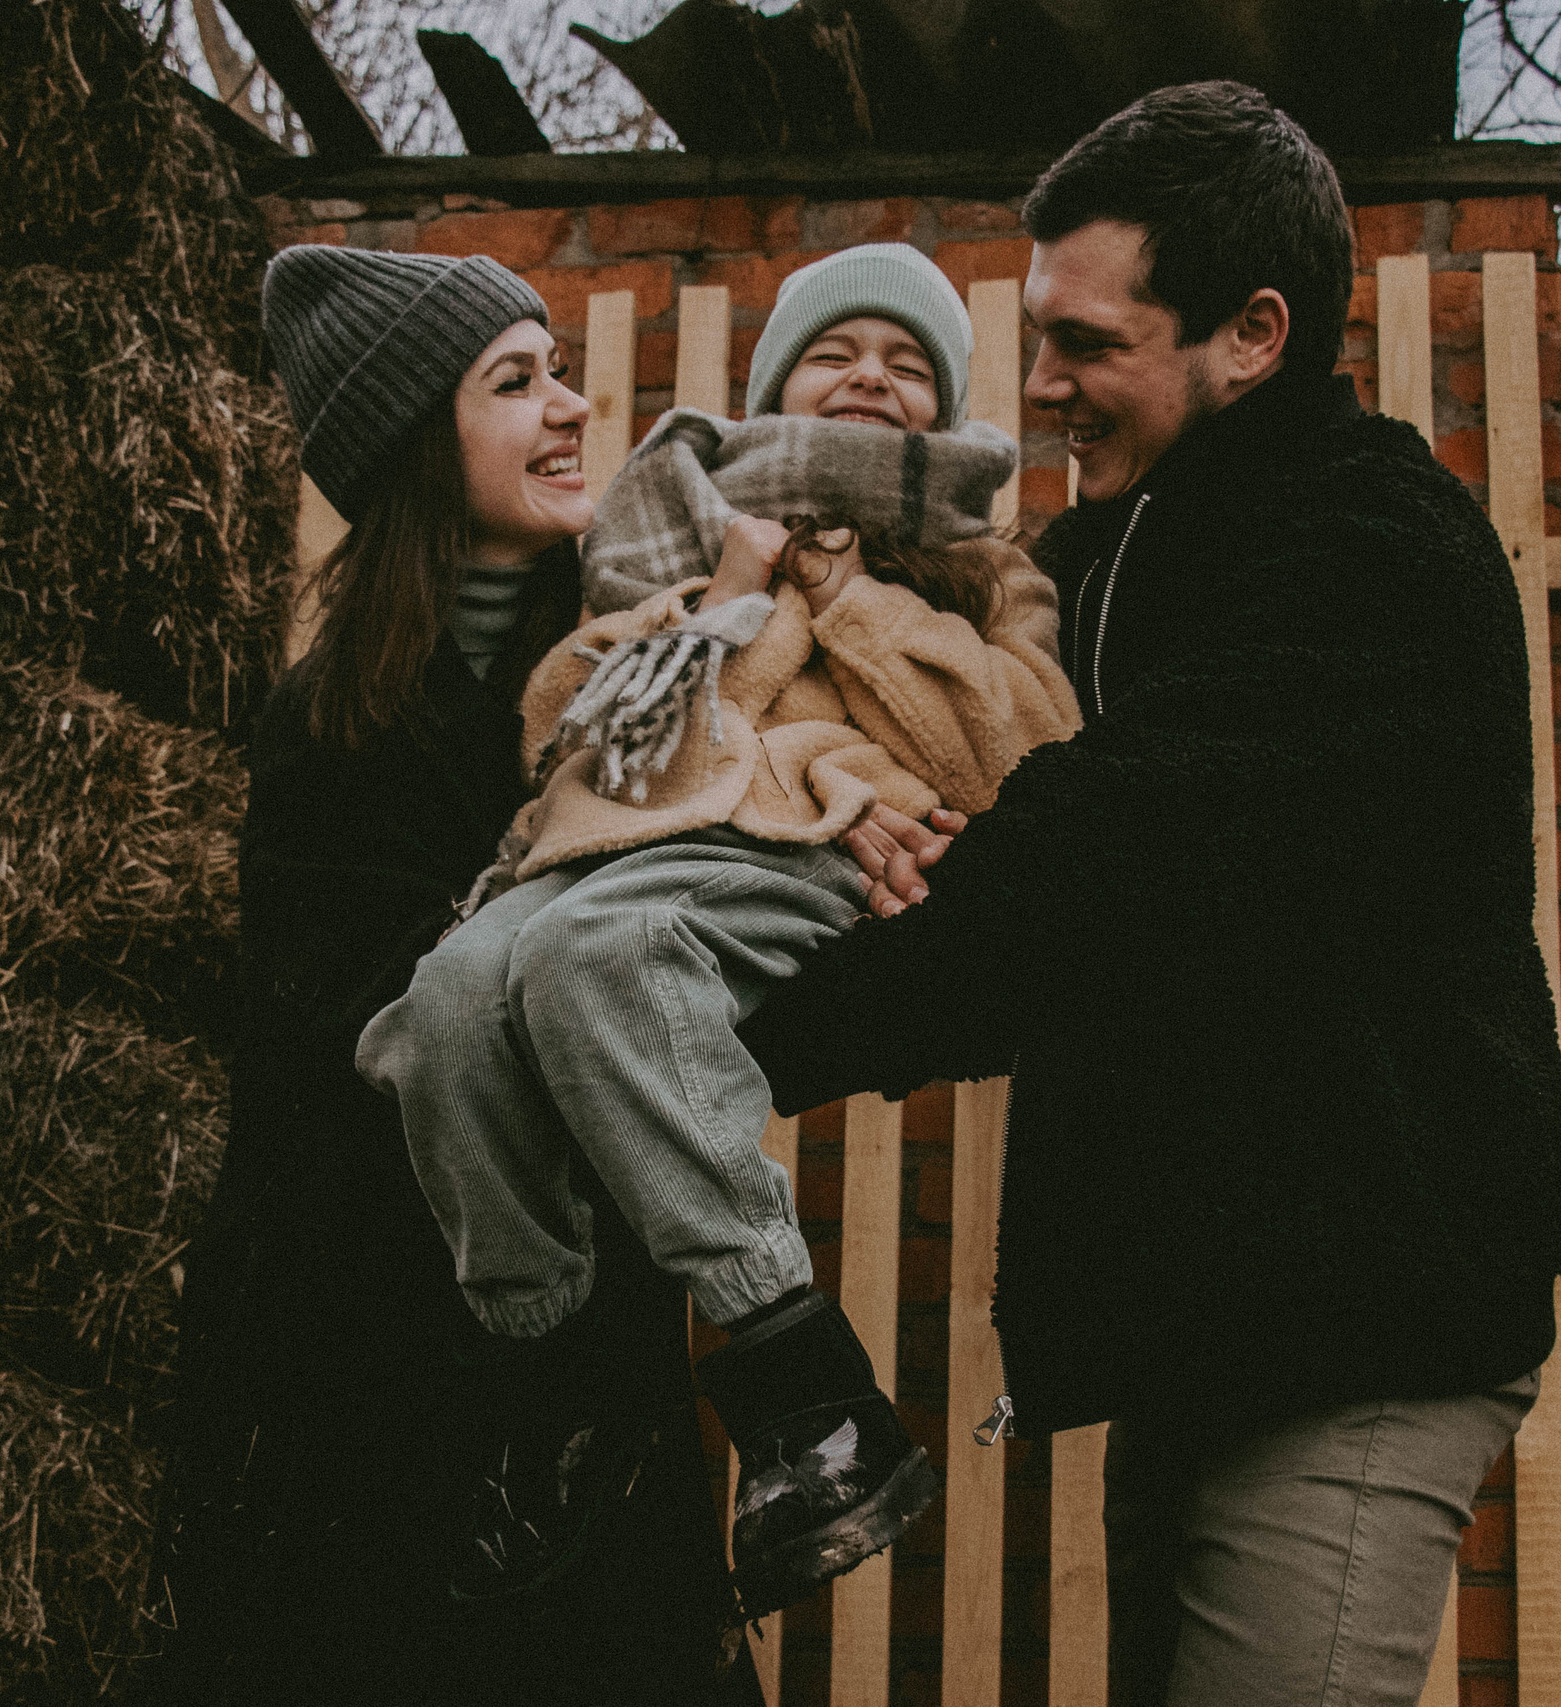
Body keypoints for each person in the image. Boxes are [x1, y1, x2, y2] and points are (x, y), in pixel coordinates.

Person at [736, 85, 1561, 1707]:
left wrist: (749, 1030)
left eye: (1087, 341)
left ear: (1253, 332)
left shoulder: (1369, 547)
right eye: (1038, 335)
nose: (1039, 380)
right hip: (1209, 1318)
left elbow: (1109, 862)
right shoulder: (1118, 553)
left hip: (1362, 1323)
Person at [355, 242, 1082, 1618]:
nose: (871, 373)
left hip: (804, 844)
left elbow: (1020, 745)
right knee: (439, 1013)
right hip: (613, 845)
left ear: (942, 409)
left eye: (908, 361)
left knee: (594, 964)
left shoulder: (987, 566)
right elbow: (568, 724)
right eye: (835, 351)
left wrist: (848, 598)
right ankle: (552, 1389)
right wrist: (740, 591)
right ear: (771, 382)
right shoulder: (666, 528)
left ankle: (811, 1398)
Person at [156, 246, 749, 1705]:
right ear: (426, 439)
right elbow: (347, 1057)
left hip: (586, 1372)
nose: (569, 408)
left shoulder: (637, 671)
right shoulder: (330, 738)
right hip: (377, 1381)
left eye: (559, 369)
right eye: (515, 381)